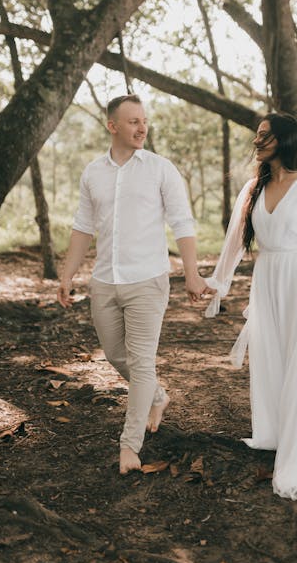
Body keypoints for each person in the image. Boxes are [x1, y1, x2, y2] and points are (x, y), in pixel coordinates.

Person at [205, 113, 297, 500]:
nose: (260, 139)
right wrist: (218, 283)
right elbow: (235, 241)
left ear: (284, 140)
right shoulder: (252, 188)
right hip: (266, 280)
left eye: (267, 134)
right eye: (258, 134)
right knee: (271, 356)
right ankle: (275, 432)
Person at [57, 94, 208, 474]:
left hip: (147, 281)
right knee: (114, 355)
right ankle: (157, 395)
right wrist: (67, 274)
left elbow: (183, 225)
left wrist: (191, 273)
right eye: (133, 122)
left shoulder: (161, 169)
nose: (142, 128)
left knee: (141, 362)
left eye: (144, 121)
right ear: (112, 126)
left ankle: (130, 445)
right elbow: (82, 228)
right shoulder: (93, 172)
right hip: (105, 282)